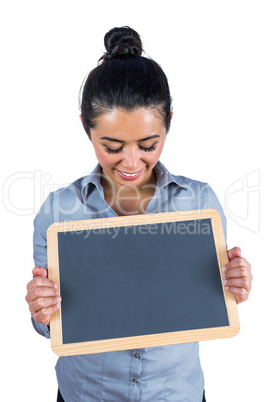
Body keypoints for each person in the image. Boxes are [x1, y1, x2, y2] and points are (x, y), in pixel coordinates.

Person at [25, 26, 252, 402]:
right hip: (87, 393)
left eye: (149, 145)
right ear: (86, 127)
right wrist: (41, 311)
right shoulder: (58, 212)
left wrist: (233, 284)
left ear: (169, 124)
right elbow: (50, 326)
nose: (132, 163)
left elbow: (203, 300)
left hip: (176, 392)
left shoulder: (199, 202)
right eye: (112, 146)